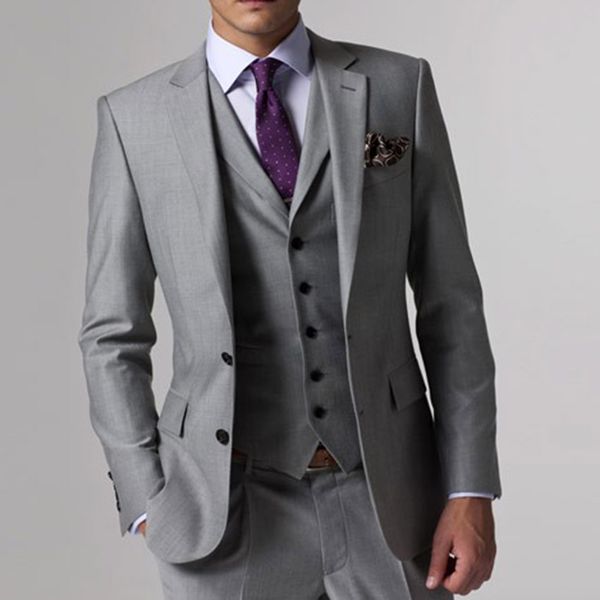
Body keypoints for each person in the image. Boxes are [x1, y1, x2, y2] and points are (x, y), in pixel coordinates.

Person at [78, 1, 502, 598]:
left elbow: (451, 303)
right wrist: (147, 495)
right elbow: (111, 332)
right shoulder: (134, 117)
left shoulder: (397, 86)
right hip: (222, 513)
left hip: (390, 500)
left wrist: (469, 487)